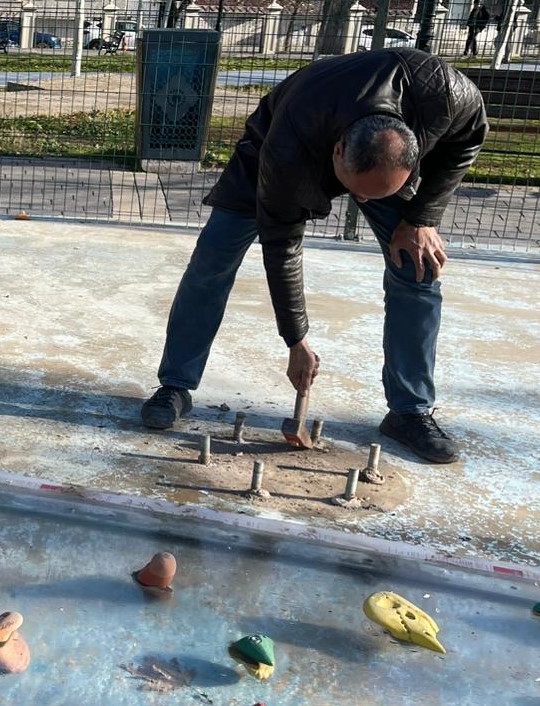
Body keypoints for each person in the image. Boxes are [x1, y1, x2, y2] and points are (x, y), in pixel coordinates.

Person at [140, 49, 487, 464]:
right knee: (213, 258)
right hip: (274, 151)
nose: (358, 203)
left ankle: (410, 411)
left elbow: (468, 140)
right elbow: (282, 246)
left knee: (416, 265)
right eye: (356, 190)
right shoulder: (288, 149)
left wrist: (420, 217)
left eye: (373, 194)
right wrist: (297, 340)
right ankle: (175, 385)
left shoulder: (445, 94)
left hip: (372, 159)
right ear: (339, 152)